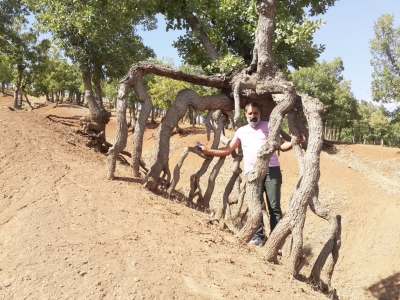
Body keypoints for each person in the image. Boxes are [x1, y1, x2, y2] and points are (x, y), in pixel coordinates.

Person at [200, 102, 303, 246]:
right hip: (252, 173)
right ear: (245, 114)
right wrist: (208, 151)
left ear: (260, 113)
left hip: (272, 170)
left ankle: (277, 242)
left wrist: (293, 142)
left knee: (274, 207)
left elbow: (281, 145)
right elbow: (228, 150)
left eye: (255, 113)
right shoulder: (241, 131)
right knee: (256, 205)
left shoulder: (269, 126)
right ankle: (258, 237)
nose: (253, 116)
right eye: (250, 113)